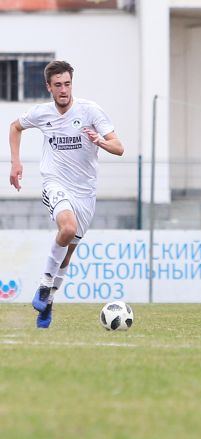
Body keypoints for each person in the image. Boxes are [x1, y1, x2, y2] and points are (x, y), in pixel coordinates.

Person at [8, 60, 124, 328]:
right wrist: (16, 162)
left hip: (85, 192)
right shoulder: (42, 113)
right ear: (49, 87)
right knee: (67, 228)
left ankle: (48, 303)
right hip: (55, 182)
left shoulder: (90, 111)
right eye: (58, 85)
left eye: (68, 84)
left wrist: (100, 142)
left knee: (67, 253)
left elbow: (119, 148)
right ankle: (44, 286)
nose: (64, 90)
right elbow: (15, 127)